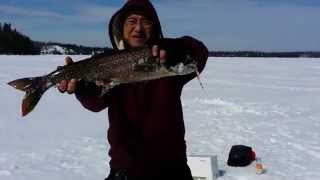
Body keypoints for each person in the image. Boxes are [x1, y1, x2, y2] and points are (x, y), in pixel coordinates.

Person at [58, 0, 208, 179]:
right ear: (121, 28)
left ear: (154, 28)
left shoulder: (167, 59)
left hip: (171, 168)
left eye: (145, 22)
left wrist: (175, 48)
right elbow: (95, 103)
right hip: (125, 169)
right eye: (132, 21)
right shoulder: (108, 62)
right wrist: (81, 87)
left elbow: (200, 52)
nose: (138, 28)